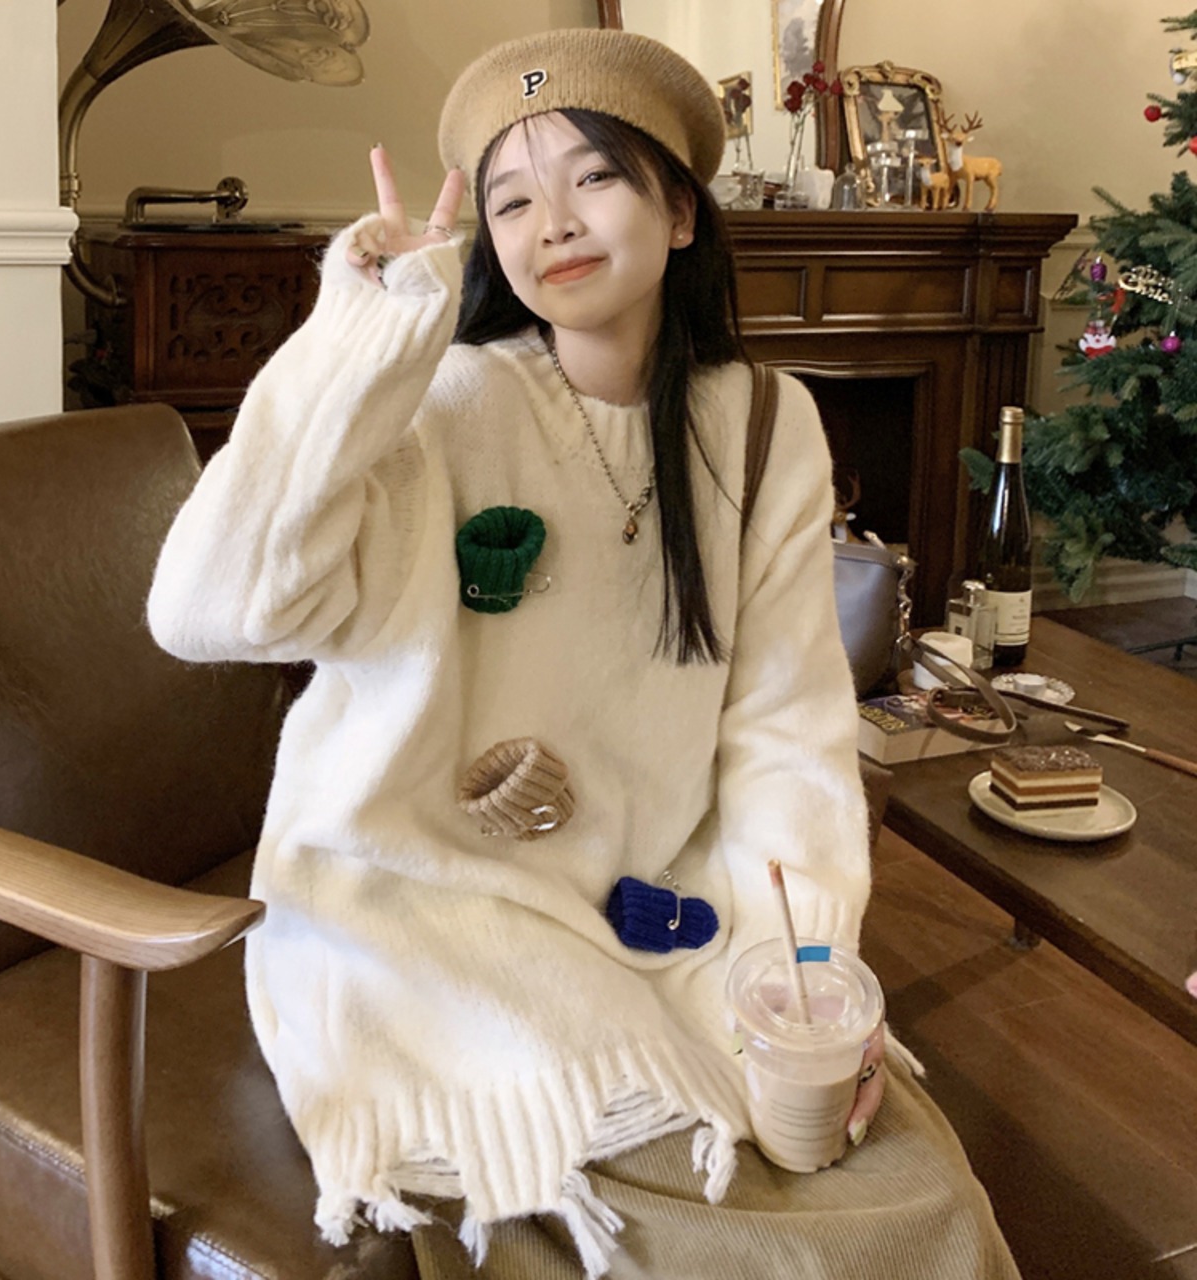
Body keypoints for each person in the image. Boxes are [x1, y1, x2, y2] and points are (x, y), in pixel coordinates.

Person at [148, 27, 1020, 1280]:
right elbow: (207, 608)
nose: (550, 221)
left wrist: (797, 958)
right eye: (509, 199)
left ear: (679, 211)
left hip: (661, 904)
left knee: (920, 1196)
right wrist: (361, 334)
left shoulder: (766, 423)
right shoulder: (445, 404)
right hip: (432, 912)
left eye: (594, 176)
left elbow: (783, 728)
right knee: (720, 1228)